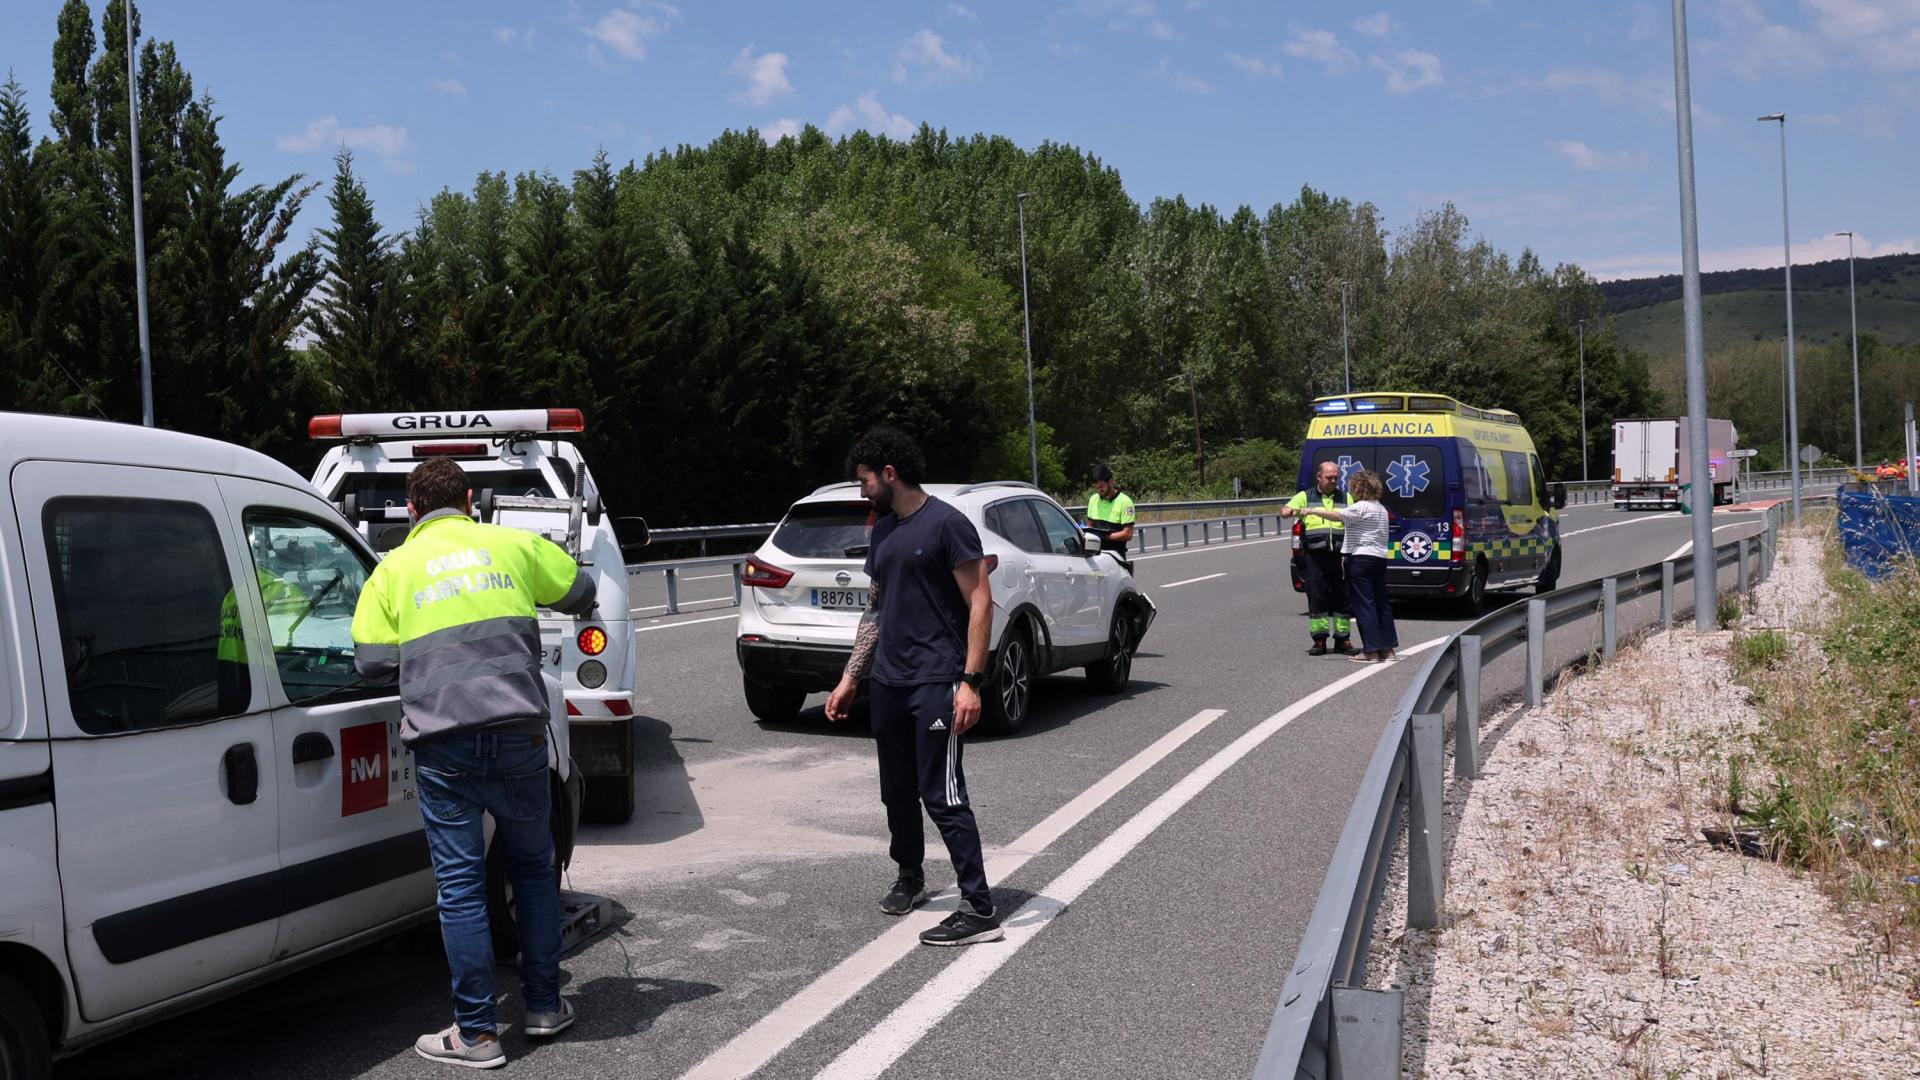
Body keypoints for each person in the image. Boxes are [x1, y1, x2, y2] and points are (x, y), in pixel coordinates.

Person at [351, 456, 598, 1070]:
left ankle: (478, 1034)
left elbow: (370, 663)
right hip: (518, 735)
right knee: (535, 871)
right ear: (470, 499)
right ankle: (543, 1006)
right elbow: (580, 591)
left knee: (460, 887)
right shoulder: (510, 544)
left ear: (411, 510)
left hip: (444, 744)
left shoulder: (392, 570)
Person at [826, 427, 1003, 947]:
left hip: (937, 681)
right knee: (895, 793)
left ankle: (979, 906)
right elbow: (876, 611)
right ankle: (911, 877)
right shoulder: (883, 531)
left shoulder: (948, 524)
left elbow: (980, 602)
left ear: (889, 473)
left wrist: (970, 681)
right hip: (889, 682)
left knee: (942, 794)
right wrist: (849, 678)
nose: (861, 491)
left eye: (863, 481)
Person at [1285, 468, 1397, 663]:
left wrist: (1310, 510)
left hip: (1361, 558)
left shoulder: (1360, 507)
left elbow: (1337, 516)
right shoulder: (1381, 508)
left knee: (1365, 606)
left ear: (1358, 487)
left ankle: (1371, 651)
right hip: (1379, 559)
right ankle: (1388, 649)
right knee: (1381, 605)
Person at [1285, 461, 1358, 656]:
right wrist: (1288, 510)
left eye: (1336, 477)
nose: (1333, 481)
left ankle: (1343, 640)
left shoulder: (1346, 497)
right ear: (1319, 477)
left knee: (1342, 597)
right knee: (1317, 596)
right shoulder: (1305, 496)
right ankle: (1319, 640)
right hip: (1315, 556)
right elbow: (1287, 509)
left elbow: (1355, 517)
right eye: (1329, 477)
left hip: (1340, 555)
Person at [1085, 463, 1137, 566]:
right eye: (1096, 487)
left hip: (1116, 557)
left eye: (1101, 486)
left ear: (1111, 482)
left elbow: (1128, 534)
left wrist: (1104, 537)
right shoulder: (1093, 499)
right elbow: (1090, 526)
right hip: (1096, 556)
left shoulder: (1125, 502)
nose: (1099, 490)